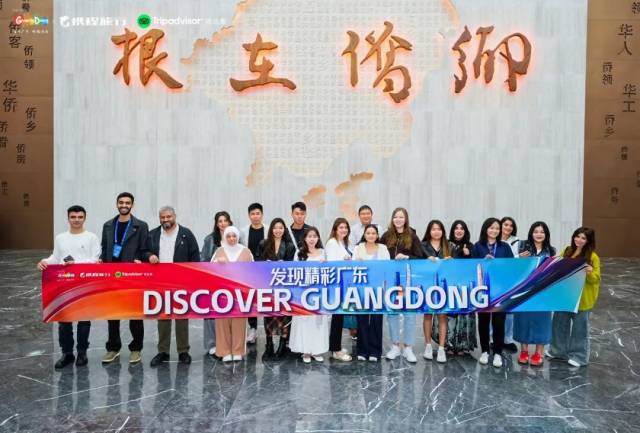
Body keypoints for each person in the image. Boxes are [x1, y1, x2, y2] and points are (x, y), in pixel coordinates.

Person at [37, 205, 101, 369]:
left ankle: (82, 353)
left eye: (80, 217)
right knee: (64, 320)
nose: (76, 220)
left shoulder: (92, 237)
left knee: (84, 320)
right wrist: (45, 262)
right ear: (68, 218)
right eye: (73, 217)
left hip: (85, 284)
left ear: (84, 218)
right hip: (64, 284)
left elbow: (95, 260)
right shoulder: (61, 238)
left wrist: (76, 263)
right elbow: (55, 257)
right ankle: (67, 353)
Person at [145, 206, 200, 367]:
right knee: (163, 316)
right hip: (159, 281)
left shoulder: (186, 234)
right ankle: (163, 351)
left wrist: (192, 279)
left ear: (174, 216)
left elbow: (195, 257)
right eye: (162, 217)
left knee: (182, 316)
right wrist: (149, 255)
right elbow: (143, 251)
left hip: (181, 281)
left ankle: (183, 351)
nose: (165, 220)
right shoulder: (152, 235)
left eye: (168, 216)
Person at [100, 192, 149, 364]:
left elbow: (145, 249)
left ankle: (136, 349)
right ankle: (113, 348)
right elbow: (104, 248)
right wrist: (102, 261)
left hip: (132, 276)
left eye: (127, 203)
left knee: (135, 315)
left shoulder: (140, 226)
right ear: (116, 204)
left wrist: (141, 260)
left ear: (132, 205)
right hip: (111, 276)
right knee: (112, 314)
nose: (124, 205)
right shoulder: (108, 225)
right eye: (121, 202)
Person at [547, 227, 601, 367]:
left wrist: (589, 272)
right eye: (577, 236)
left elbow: (596, 279)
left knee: (579, 329)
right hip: (565, 296)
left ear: (588, 241)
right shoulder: (567, 251)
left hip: (582, 299)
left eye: (583, 238)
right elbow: (558, 266)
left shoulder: (593, 257)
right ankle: (557, 351)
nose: (579, 240)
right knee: (559, 325)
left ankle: (579, 357)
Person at [380, 207, 424, 363]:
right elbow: (377, 253)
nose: (398, 219)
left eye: (401, 217)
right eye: (395, 217)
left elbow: (420, 257)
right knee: (392, 313)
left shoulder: (412, 236)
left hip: (408, 280)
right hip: (391, 280)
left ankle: (408, 348)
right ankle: (395, 346)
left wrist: (407, 257)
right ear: (392, 219)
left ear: (406, 219)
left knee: (409, 313)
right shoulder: (386, 236)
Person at [471, 217, 514, 368]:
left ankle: (497, 353)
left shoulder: (505, 247)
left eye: (497, 228)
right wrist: (483, 261)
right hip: (482, 289)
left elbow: (511, 267)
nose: (494, 231)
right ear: (485, 229)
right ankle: (484, 351)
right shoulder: (477, 246)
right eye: (491, 228)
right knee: (483, 321)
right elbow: (471, 266)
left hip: (500, 290)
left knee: (499, 322)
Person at [513, 221, 556, 367]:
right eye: (536, 231)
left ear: (546, 234)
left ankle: (539, 353)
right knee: (523, 319)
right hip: (524, 291)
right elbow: (513, 267)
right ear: (531, 233)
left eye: (542, 232)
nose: (539, 234)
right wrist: (519, 259)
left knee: (542, 321)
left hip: (543, 292)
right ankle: (524, 351)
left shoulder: (551, 250)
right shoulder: (522, 246)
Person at [256, 217, 296, 359]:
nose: (278, 230)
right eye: (275, 228)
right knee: (268, 315)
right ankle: (269, 344)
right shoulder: (263, 243)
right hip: (268, 285)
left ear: (284, 230)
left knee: (284, 315)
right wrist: (265, 263)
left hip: (284, 286)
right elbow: (257, 262)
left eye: (280, 228)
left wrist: (283, 264)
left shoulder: (290, 246)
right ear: (271, 229)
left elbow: (293, 265)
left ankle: (282, 345)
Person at [211, 226, 253, 362]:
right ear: (225, 237)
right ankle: (224, 351)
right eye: (228, 236)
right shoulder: (219, 251)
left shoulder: (246, 252)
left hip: (240, 294)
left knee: (239, 322)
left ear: (237, 237)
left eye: (234, 236)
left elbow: (254, 271)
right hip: (222, 293)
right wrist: (217, 263)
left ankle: (237, 350)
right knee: (222, 321)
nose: (231, 239)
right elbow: (209, 270)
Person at [289, 227, 330, 363]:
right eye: (309, 236)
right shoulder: (299, 253)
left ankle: (317, 350)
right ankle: (305, 351)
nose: (312, 239)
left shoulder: (323, 253)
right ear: (305, 238)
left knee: (318, 322)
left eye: (314, 236)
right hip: (303, 293)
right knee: (304, 322)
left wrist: (325, 265)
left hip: (319, 293)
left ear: (318, 238)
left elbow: (330, 273)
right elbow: (294, 272)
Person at [353, 224, 390, 361]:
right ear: (364, 234)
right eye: (368, 233)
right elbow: (352, 267)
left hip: (378, 289)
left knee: (376, 320)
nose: (371, 235)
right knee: (362, 319)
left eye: (373, 233)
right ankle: (362, 351)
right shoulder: (358, 248)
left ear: (377, 235)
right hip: (361, 289)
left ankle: (375, 351)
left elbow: (387, 268)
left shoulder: (383, 248)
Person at [201, 211, 232, 357]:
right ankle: (212, 344)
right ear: (216, 223)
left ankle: (228, 342)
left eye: (225, 220)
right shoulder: (210, 239)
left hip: (231, 282)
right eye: (220, 221)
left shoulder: (236, 237)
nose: (223, 224)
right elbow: (203, 260)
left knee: (229, 313)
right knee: (211, 313)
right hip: (213, 281)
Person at [443, 220, 476, 355]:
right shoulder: (446, 244)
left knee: (464, 315)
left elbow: (475, 266)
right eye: (456, 228)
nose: (459, 230)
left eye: (462, 228)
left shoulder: (471, 246)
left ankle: (462, 344)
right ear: (452, 230)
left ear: (465, 231)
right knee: (450, 314)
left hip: (465, 286)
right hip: (449, 284)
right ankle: (448, 344)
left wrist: (469, 255)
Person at [420, 220, 451, 363]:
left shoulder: (449, 246)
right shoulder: (423, 246)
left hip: (444, 285)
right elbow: (417, 264)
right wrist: (426, 260)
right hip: (427, 284)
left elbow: (455, 267)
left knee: (442, 316)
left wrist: (452, 261)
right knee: (428, 315)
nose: (436, 232)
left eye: (439, 229)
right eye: (433, 229)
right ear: (429, 231)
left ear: (443, 231)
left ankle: (441, 348)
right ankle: (427, 345)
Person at [324, 217, 354, 362]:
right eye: (341, 227)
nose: (344, 230)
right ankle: (336, 350)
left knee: (339, 317)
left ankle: (335, 346)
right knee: (337, 317)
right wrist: (345, 260)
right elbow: (332, 263)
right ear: (335, 229)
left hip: (344, 284)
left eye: (346, 227)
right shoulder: (332, 243)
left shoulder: (345, 243)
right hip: (336, 284)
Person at [239, 203, 265, 344]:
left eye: (258, 213)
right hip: (248, 270)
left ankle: (268, 332)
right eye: (253, 214)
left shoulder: (268, 229)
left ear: (262, 214)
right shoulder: (243, 231)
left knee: (266, 299)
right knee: (250, 300)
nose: (255, 216)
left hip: (265, 270)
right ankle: (253, 329)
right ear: (249, 216)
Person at [500, 216, 520, 353]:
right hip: (496, 280)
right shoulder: (493, 240)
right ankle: (493, 338)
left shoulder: (518, 242)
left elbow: (518, 260)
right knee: (494, 309)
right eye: (506, 224)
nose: (508, 227)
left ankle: (508, 339)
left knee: (510, 311)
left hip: (512, 280)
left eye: (511, 225)